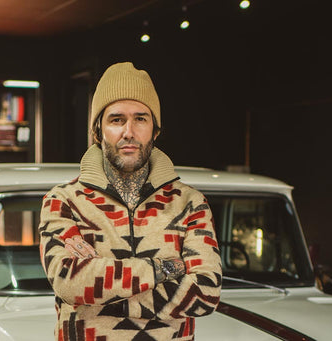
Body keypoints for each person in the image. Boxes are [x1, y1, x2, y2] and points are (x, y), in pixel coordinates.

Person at [39, 62, 221, 340]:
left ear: (155, 130)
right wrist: (167, 268)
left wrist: (95, 297)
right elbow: (69, 282)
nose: (129, 132)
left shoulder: (190, 203)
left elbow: (205, 294)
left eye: (140, 118)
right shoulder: (63, 200)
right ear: (97, 131)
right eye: (116, 119)